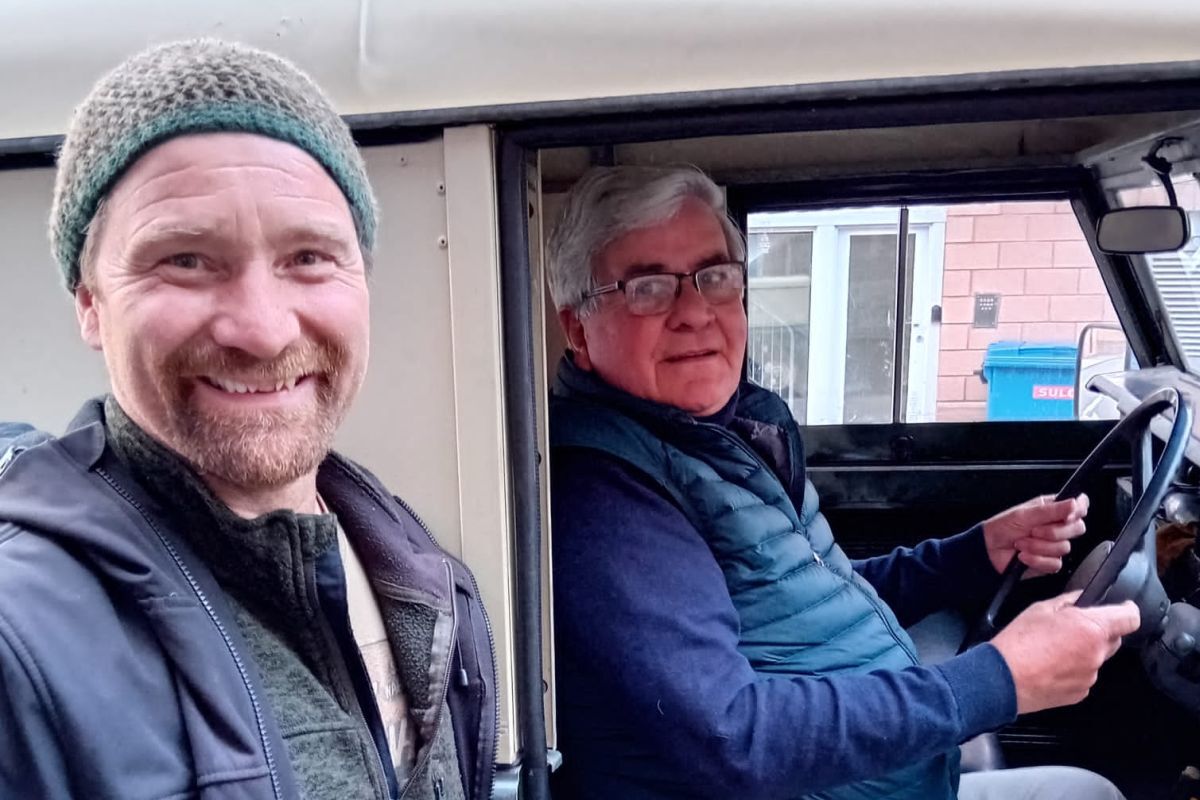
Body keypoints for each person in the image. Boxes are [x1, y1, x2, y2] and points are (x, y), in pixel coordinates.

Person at [545, 165, 1140, 800]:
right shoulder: (608, 494)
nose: (695, 311)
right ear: (578, 329)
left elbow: (816, 594)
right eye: (648, 287)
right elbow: (732, 738)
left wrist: (974, 554)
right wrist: (999, 680)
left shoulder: (725, 433)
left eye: (714, 277)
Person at [0, 40, 495, 800]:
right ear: (90, 304)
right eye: (186, 261)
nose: (262, 330)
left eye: (308, 257)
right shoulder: (22, 644)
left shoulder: (418, 574)